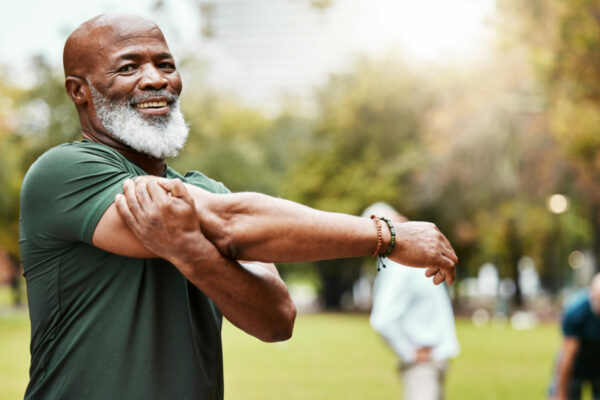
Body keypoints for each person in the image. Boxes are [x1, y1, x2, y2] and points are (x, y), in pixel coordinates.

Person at [19, 12, 458, 400]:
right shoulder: (64, 171)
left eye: (165, 64)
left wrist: (190, 251)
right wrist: (386, 236)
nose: (155, 79)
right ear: (79, 91)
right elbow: (230, 223)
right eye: (129, 67)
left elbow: (277, 320)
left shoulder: (207, 189)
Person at [366, 202, 459, 400]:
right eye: (395, 220)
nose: (405, 221)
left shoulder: (409, 262)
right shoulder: (398, 266)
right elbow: (382, 320)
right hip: (423, 364)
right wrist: (410, 352)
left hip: (434, 359)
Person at [549, 273, 600, 400]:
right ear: (591, 295)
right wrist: (560, 394)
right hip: (576, 364)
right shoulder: (576, 312)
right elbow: (567, 357)